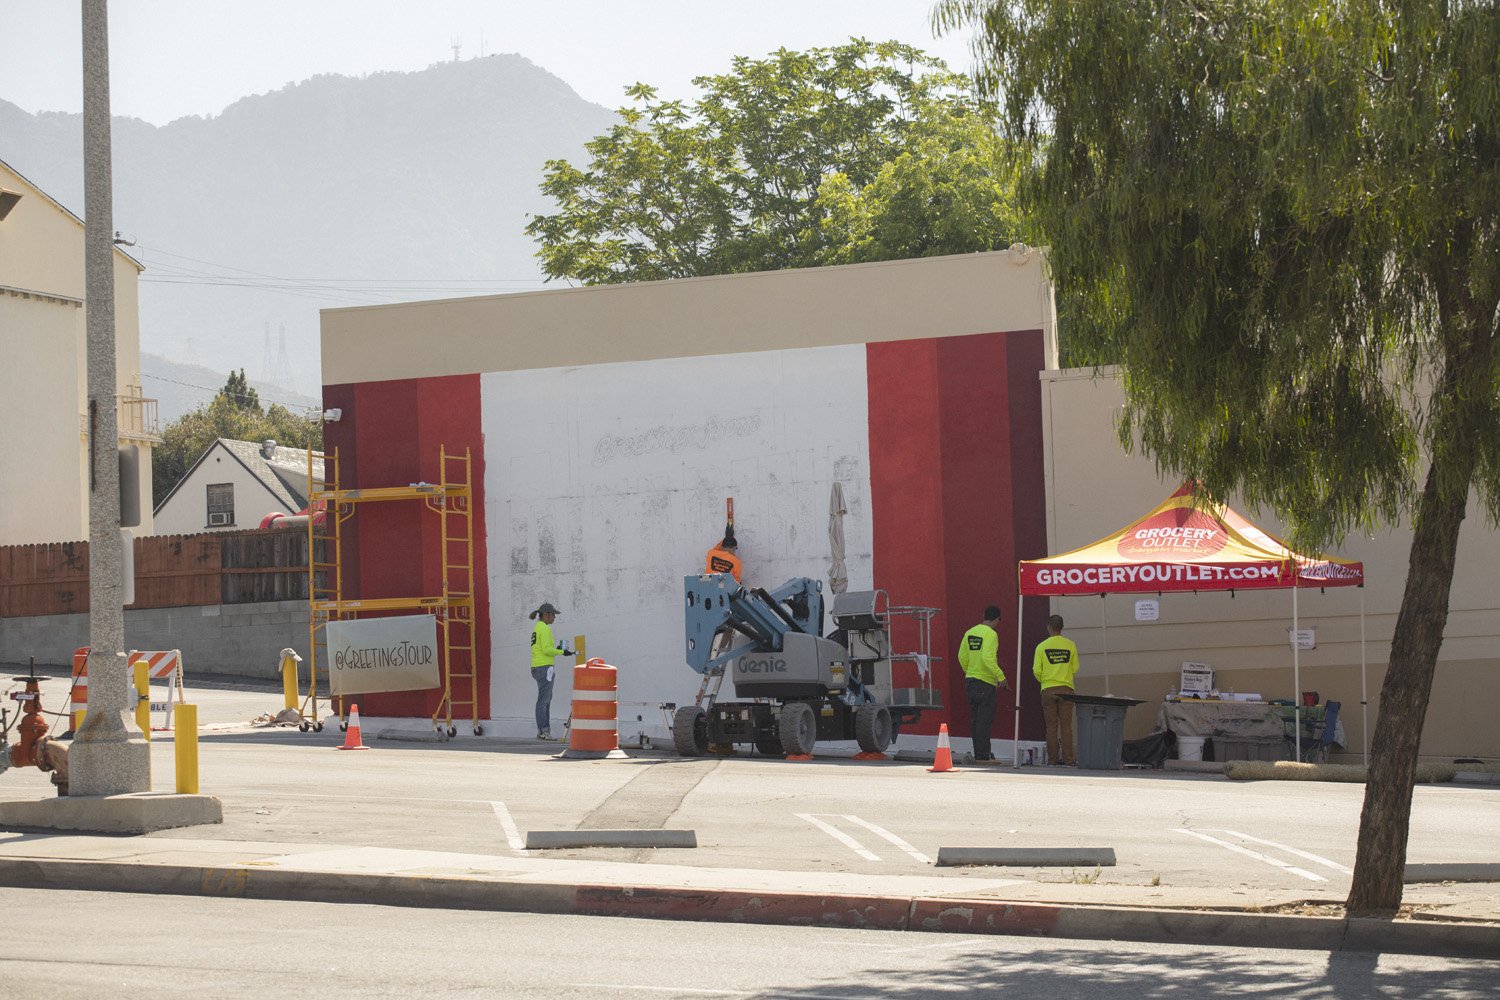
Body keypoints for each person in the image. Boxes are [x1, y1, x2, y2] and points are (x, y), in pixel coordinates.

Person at [958, 605, 1007, 763]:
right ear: (996, 619)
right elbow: (987, 658)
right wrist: (1001, 677)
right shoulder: (991, 634)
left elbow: (961, 656)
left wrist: (970, 671)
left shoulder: (970, 632)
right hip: (985, 682)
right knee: (985, 720)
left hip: (970, 681)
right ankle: (983, 756)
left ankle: (979, 753)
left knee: (975, 719)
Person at [1033, 613, 1081, 766]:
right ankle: (1069, 759)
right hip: (1066, 690)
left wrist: (1045, 682)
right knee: (1067, 727)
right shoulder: (1070, 645)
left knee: (1051, 727)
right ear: (1062, 628)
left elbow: (1036, 670)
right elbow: (1076, 668)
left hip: (1048, 690)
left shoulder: (1041, 647)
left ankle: (1052, 760)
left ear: (1049, 627)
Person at [528, 602, 574, 740]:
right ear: (546, 614)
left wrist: (558, 649)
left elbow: (543, 648)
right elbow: (547, 650)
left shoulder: (538, 627)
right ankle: (543, 731)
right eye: (553, 615)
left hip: (537, 666)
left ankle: (543, 730)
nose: (555, 617)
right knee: (544, 700)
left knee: (544, 699)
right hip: (544, 667)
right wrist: (562, 651)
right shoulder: (545, 629)